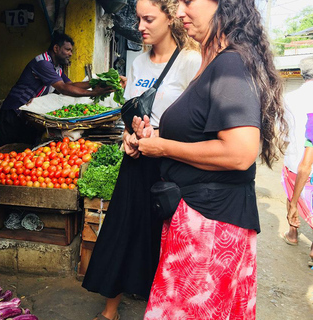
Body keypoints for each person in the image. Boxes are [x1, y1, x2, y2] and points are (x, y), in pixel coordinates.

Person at [132, 0, 286, 318]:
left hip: (210, 229)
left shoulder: (231, 63)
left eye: (189, 1)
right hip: (201, 223)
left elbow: (240, 152)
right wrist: (156, 136)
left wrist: (163, 148)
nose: (180, 12)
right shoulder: (214, 61)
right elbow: (202, 133)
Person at [81, 0, 201, 319]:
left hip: (172, 163)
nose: (140, 27)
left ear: (171, 17)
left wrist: (159, 139)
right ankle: (110, 309)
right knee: (123, 228)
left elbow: (198, 123)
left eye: (148, 19)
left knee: (168, 238)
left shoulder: (191, 61)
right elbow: (131, 113)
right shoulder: (137, 63)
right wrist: (128, 139)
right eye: (138, 19)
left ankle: (166, 307)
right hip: (136, 161)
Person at [0, 32, 112, 148]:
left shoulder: (57, 68)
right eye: (67, 50)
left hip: (26, 115)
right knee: (3, 150)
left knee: (22, 152)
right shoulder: (43, 63)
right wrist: (93, 93)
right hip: (13, 112)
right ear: (56, 48)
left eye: (71, 51)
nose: (70, 54)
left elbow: (71, 85)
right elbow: (64, 88)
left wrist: (96, 82)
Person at [281, 56, 313, 266]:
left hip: (295, 159)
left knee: (291, 194)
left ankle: (293, 233)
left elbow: (282, 132)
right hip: (307, 163)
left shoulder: (288, 97)